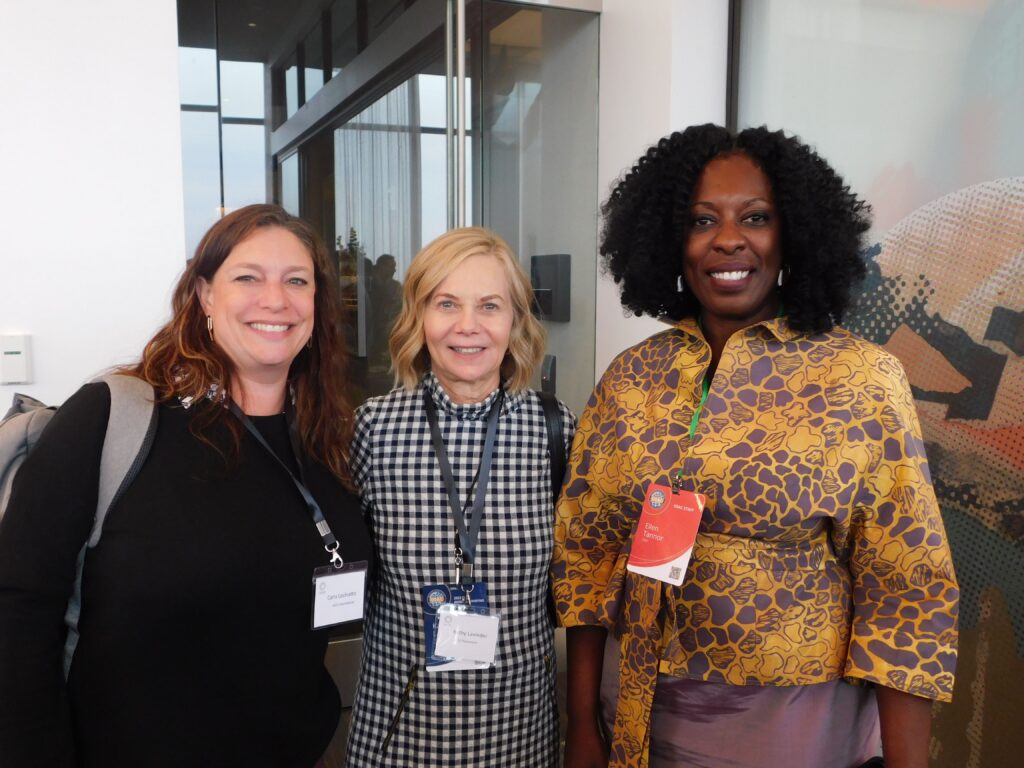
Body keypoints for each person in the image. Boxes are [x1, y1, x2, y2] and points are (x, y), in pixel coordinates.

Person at [553, 125, 959, 768]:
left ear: (793, 234)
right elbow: (588, 560)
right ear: (670, 241)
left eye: (756, 217)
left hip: (792, 724)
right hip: (634, 707)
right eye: (701, 220)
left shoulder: (861, 378)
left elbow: (904, 588)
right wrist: (580, 725)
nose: (728, 238)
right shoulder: (632, 376)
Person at [0, 204, 372, 767]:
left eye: (296, 281)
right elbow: (18, 607)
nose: (276, 300)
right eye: (248, 277)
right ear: (204, 296)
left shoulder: (329, 436)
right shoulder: (112, 417)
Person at [344, 227, 575, 767]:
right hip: (399, 729)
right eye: (447, 303)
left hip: (520, 729)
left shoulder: (553, 429)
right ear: (418, 316)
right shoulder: (373, 431)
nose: (467, 326)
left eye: (489, 306)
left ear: (515, 320)